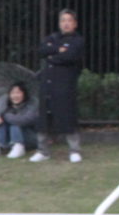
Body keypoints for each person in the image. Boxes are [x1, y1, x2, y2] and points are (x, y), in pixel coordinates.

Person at [32, 9, 84, 162]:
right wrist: (56, 50)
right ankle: (43, 151)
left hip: (65, 84)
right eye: (63, 20)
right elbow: (42, 50)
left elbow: (69, 56)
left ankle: (74, 150)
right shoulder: (53, 38)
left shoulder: (78, 41)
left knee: (68, 115)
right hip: (47, 83)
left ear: (74, 24)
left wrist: (52, 57)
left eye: (69, 20)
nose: (66, 23)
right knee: (44, 116)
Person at [0, 82, 38, 159]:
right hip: (9, 140)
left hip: (30, 139)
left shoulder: (31, 107)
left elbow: (24, 121)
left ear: (24, 94)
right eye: (12, 93)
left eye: (18, 93)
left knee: (14, 122)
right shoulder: (6, 108)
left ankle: (19, 147)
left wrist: (4, 116)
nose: (15, 96)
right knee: (4, 122)